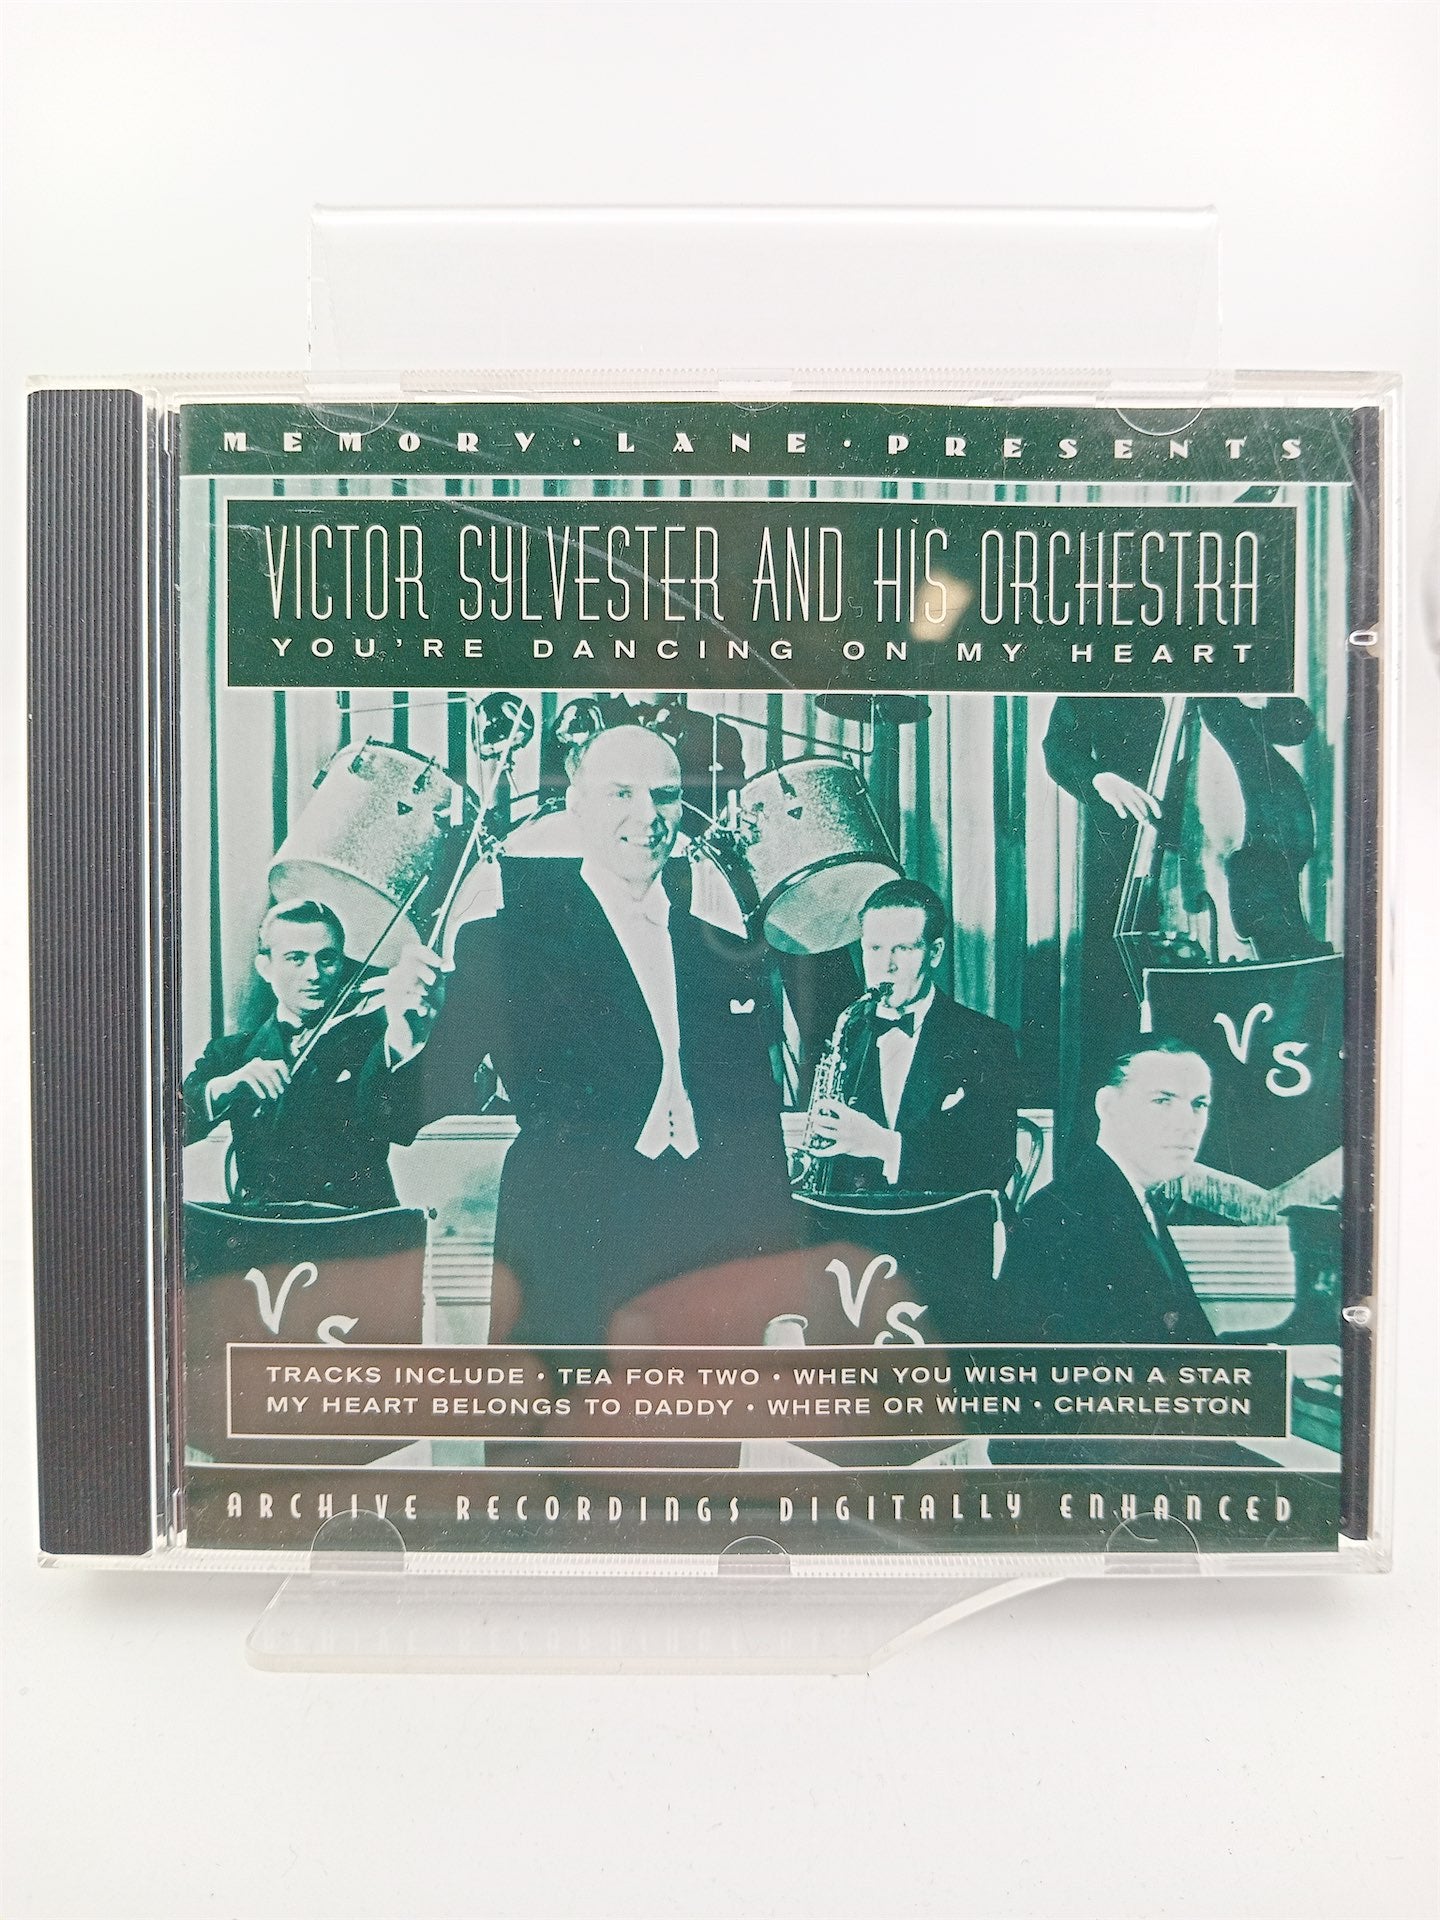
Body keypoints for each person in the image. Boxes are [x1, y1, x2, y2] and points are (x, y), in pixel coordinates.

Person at [374, 724, 797, 1346]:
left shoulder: (725, 952)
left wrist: (782, 1301)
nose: (647, 816)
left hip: (704, 1256)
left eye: (664, 795)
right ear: (576, 805)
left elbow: (756, 1128)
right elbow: (410, 1111)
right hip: (567, 1251)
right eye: (620, 793)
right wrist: (407, 1038)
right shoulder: (505, 941)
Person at [804, 878, 1019, 1200]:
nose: (885, 967)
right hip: (855, 1223)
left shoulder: (987, 1039)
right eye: (874, 949)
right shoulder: (847, 1031)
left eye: (902, 949)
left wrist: (883, 1145)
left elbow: (992, 1166)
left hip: (940, 1223)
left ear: (935, 953)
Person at [183, 900, 398, 1211]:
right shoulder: (231, 1053)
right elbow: (167, 1130)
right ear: (265, 967)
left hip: (355, 1223)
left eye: (327, 958)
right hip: (266, 1224)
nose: (314, 974)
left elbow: (400, 1119)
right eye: (296, 958)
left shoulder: (375, 1043)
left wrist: (408, 1031)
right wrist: (225, 1087)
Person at [998, 1040, 1217, 1342]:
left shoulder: (1135, 1201)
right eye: (1162, 1101)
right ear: (1107, 1106)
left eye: (1198, 1104)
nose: (1187, 1124)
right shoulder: (1064, 1214)